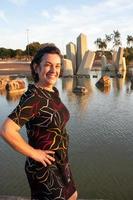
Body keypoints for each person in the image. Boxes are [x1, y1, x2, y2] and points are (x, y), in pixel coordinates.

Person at [0, 44, 78, 200]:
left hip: (61, 161)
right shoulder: (33, 97)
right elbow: (6, 130)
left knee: (73, 195)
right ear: (36, 67)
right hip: (44, 167)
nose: (54, 70)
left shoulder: (52, 91)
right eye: (48, 65)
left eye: (57, 66)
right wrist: (34, 153)